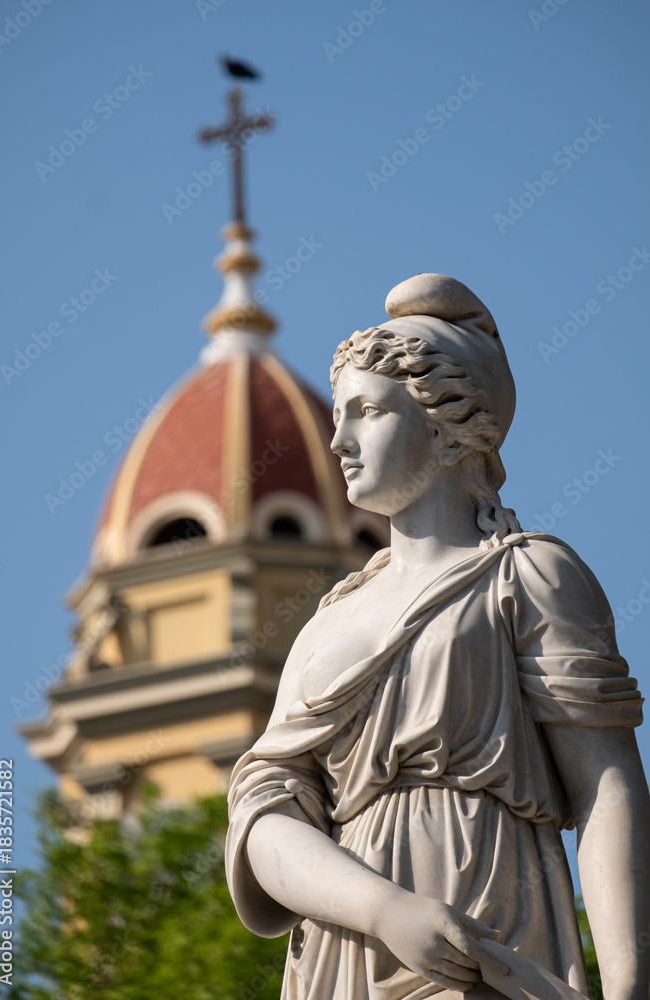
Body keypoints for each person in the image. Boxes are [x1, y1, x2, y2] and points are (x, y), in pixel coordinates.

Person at [225, 273, 650, 999]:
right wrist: (383, 909)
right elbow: (262, 819)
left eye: (366, 412)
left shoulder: (527, 576)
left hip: (487, 920)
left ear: (447, 425)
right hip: (346, 942)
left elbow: (607, 788)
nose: (338, 439)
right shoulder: (328, 622)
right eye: (338, 414)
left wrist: (629, 984)